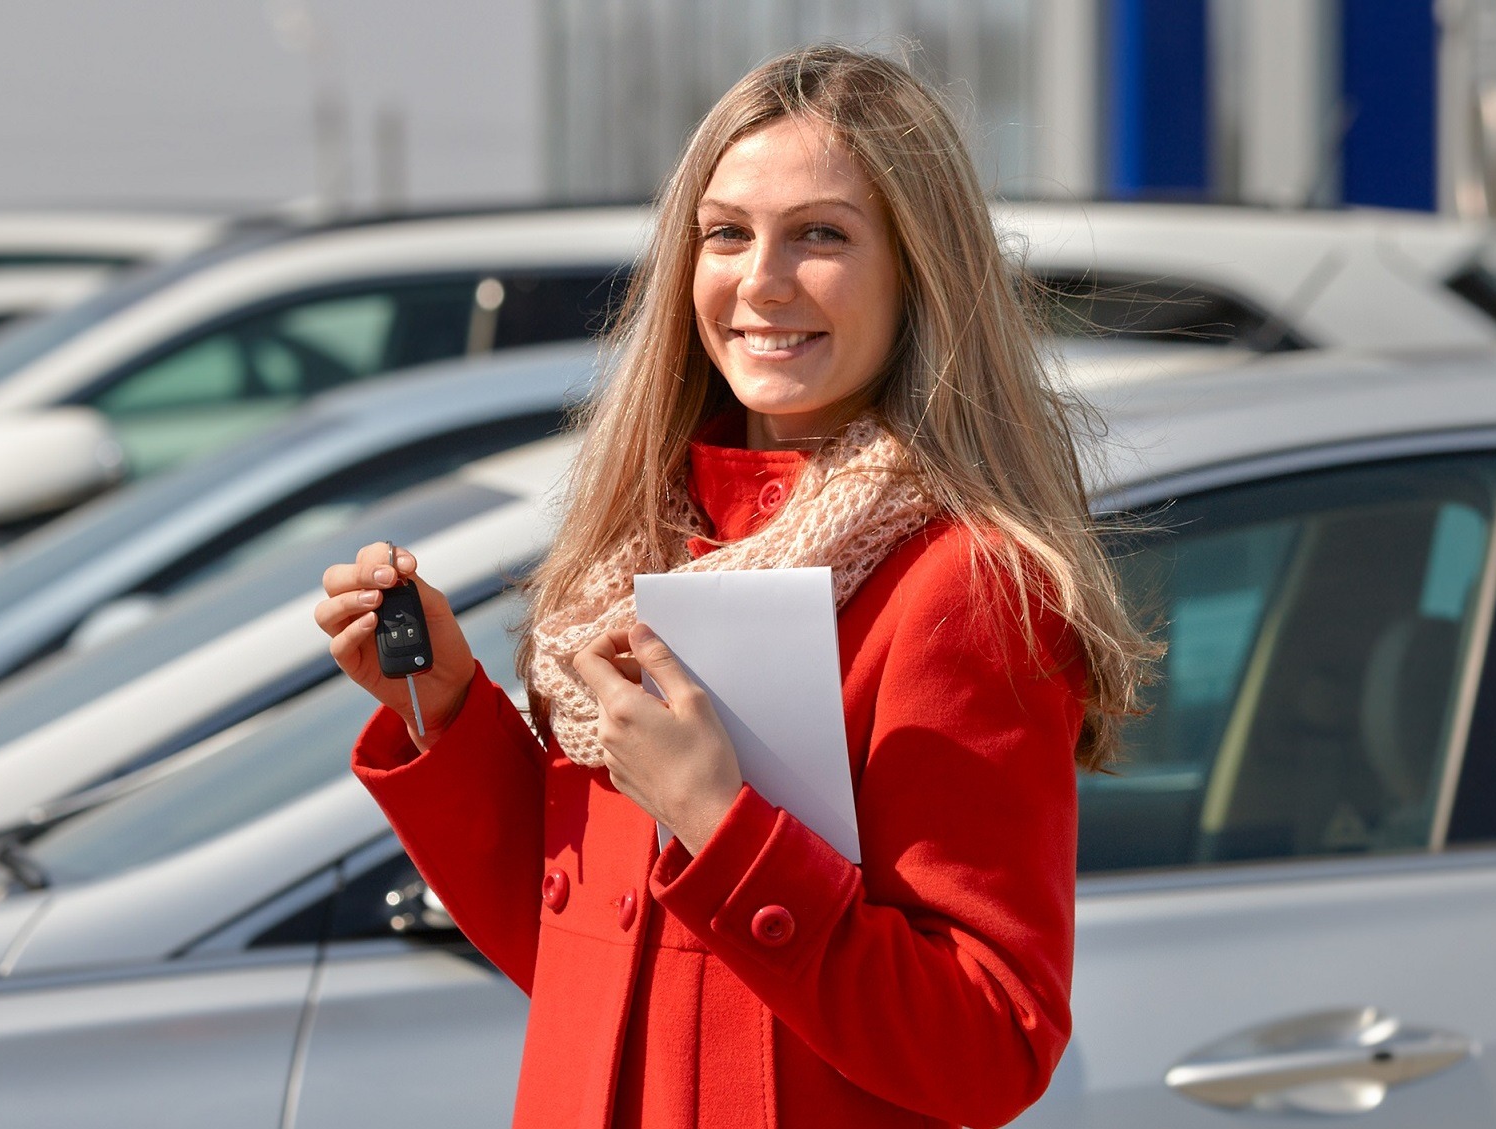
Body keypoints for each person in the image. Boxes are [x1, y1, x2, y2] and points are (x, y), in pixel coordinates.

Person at [314, 45, 1153, 1129]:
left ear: (918, 269)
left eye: (821, 235)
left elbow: (992, 1045)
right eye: (726, 234)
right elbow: (580, 963)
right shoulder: (638, 547)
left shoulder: (965, 583)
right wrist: (441, 706)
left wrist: (719, 821)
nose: (761, 281)